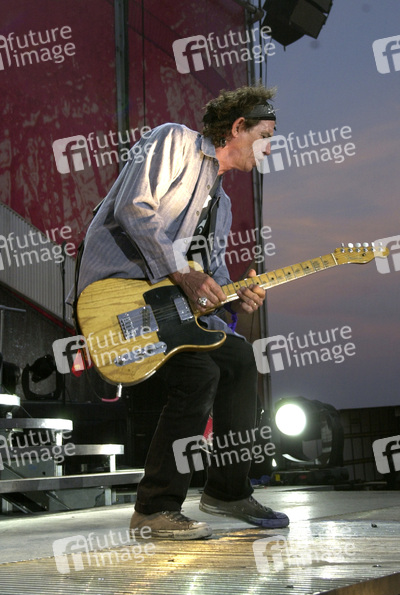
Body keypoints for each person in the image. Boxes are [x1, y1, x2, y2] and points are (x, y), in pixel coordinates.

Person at [77, 84, 289, 540]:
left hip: (171, 306)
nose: (270, 149)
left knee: (238, 358)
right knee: (199, 374)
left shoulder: (222, 204)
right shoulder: (173, 140)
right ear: (238, 127)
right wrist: (184, 274)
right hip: (120, 294)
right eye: (265, 136)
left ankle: (228, 491)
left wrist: (234, 295)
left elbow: (210, 276)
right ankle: (154, 508)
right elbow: (133, 206)